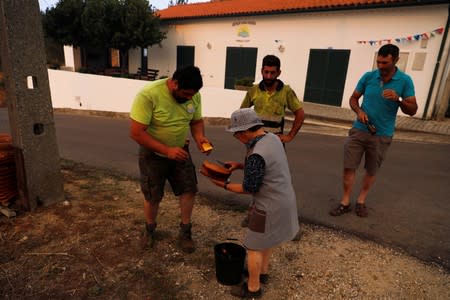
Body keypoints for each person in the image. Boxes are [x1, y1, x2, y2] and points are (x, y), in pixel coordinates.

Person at [206, 108, 299, 298]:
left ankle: (253, 288)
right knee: (267, 239)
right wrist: (240, 165)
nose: (237, 138)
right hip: (283, 199)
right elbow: (267, 167)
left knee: (254, 246)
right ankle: (262, 273)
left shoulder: (257, 154)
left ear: (244, 132)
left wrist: (224, 184)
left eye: (236, 135)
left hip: (268, 205)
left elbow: (249, 187)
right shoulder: (272, 139)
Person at [129, 66, 211, 253]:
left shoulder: (193, 95)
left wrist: (199, 138)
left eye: (194, 94)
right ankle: (149, 230)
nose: (190, 97)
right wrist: (166, 150)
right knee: (153, 194)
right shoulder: (148, 95)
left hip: (181, 151)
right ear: (174, 84)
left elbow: (196, 121)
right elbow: (136, 133)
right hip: (153, 154)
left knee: (189, 189)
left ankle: (185, 232)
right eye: (186, 93)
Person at [330, 44, 418, 218]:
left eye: (385, 63)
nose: (380, 66)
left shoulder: (405, 81)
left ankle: (361, 201)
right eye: (378, 62)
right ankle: (345, 201)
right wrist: (359, 111)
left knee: (371, 170)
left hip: (382, 134)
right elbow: (354, 98)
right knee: (349, 166)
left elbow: (413, 109)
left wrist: (399, 99)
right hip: (359, 130)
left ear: (396, 60)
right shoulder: (369, 76)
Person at [240, 54, 304, 240]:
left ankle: (287, 223)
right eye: (265, 72)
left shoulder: (286, 92)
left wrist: (290, 136)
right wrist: (245, 138)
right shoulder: (253, 91)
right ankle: (253, 213)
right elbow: (242, 113)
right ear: (261, 71)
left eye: (272, 72)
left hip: (275, 145)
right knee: (254, 179)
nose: (268, 76)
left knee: (276, 183)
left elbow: (300, 114)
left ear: (279, 72)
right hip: (254, 145)